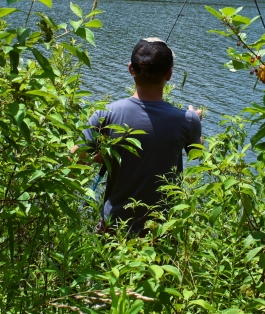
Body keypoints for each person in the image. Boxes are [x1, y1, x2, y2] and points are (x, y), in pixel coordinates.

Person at [80, 37, 202, 234]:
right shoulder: (187, 121)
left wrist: (99, 157)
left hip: (114, 232)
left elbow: (74, 159)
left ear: (130, 69)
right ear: (169, 74)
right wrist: (195, 122)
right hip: (161, 233)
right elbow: (197, 155)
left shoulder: (105, 114)